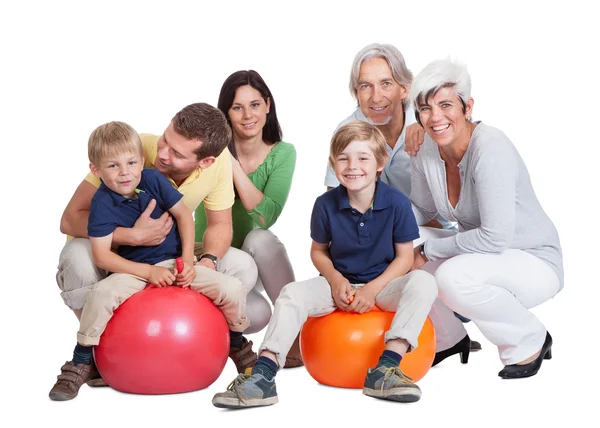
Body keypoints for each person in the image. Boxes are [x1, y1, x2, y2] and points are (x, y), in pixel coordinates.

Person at [211, 121, 438, 409]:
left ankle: (387, 369)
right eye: (343, 158)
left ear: (380, 163)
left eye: (363, 158)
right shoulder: (325, 204)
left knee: (425, 282)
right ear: (334, 163)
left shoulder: (396, 203)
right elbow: (319, 251)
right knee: (292, 294)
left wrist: (371, 289)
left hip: (383, 286)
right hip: (336, 286)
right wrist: (334, 279)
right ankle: (263, 376)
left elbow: (405, 258)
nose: (352, 166)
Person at [56, 103, 263, 380]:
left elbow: (219, 224)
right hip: (114, 255)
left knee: (243, 266)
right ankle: (97, 353)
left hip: (169, 253)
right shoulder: (128, 148)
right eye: (165, 140)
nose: (161, 154)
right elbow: (69, 220)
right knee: (78, 259)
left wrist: (203, 261)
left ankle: (217, 340)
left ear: (206, 161)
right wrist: (132, 236)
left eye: (176, 153)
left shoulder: (212, 164)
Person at [408, 58, 563, 378]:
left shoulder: (490, 148)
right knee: (394, 246)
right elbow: (422, 212)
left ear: (468, 107)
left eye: (446, 104)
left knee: (450, 277)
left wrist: (425, 252)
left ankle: (529, 340)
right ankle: (449, 338)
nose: (435, 117)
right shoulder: (426, 148)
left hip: (532, 259)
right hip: (481, 253)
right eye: (425, 108)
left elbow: (495, 237)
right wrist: (381, 226)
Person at [323, 42, 481, 353]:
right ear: (355, 92)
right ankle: (449, 339)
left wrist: (431, 136)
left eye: (386, 84)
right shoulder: (350, 130)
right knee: (390, 249)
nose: (376, 96)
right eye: (365, 86)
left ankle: (453, 307)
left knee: (412, 251)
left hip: (440, 228)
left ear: (404, 88)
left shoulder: (432, 116)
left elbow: (468, 162)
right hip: (382, 233)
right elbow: (335, 205)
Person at [194, 70, 301, 367]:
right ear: (226, 113)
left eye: (254, 105)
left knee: (260, 238)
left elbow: (267, 215)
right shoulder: (210, 153)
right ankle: (213, 343)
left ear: (268, 105)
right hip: (213, 259)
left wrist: (234, 168)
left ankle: (294, 335)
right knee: (258, 313)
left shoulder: (283, 153)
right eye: (237, 107)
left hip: (253, 259)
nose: (247, 115)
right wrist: (223, 157)